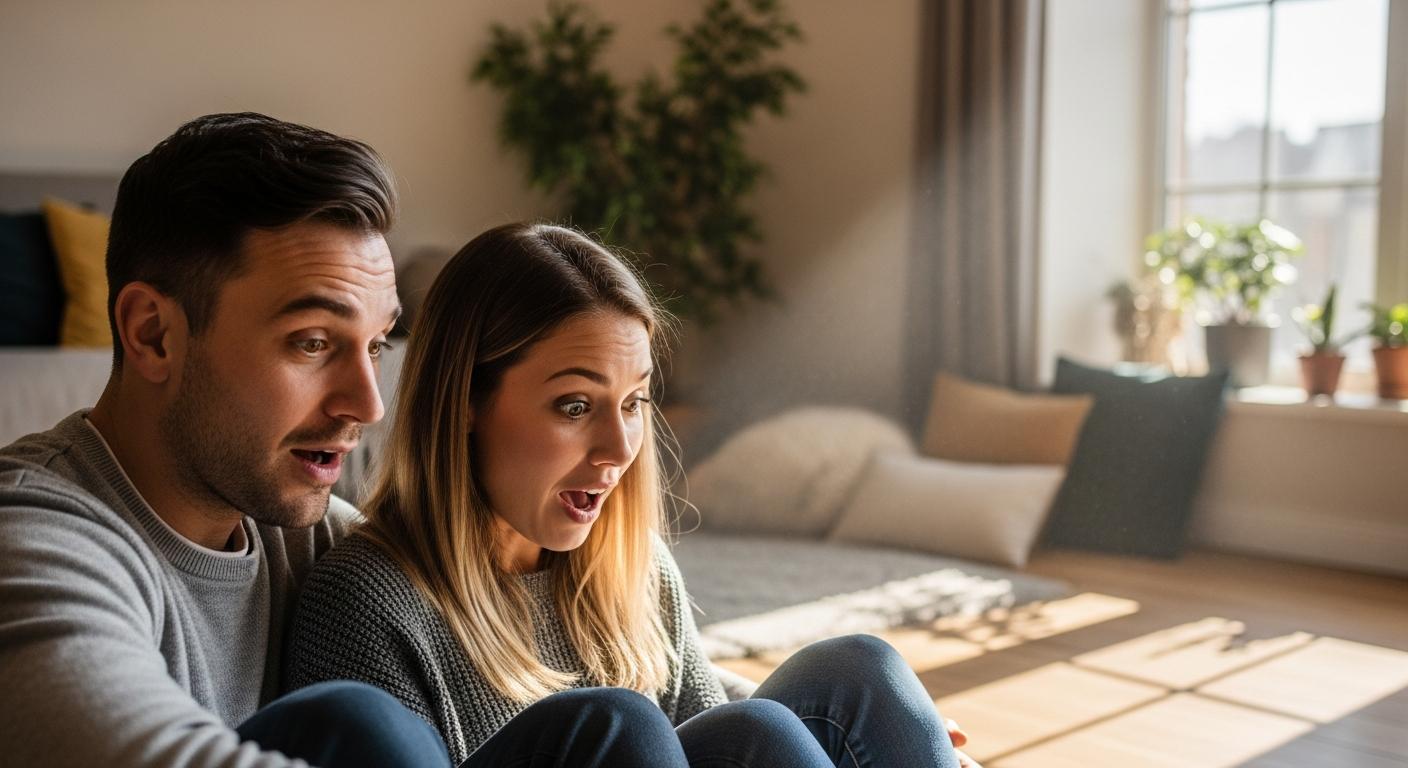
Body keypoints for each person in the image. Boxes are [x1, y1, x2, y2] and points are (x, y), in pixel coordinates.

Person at [285, 222, 981, 767]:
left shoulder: (631, 569)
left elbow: (728, 741)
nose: (619, 451)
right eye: (574, 406)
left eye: (634, 403)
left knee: (857, 669)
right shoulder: (366, 601)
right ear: (464, 400)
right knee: (625, 721)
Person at [0, 112, 450, 767]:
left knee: (596, 722)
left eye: (377, 345)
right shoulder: (29, 542)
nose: (369, 404)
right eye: (312, 343)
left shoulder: (318, 542)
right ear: (154, 334)